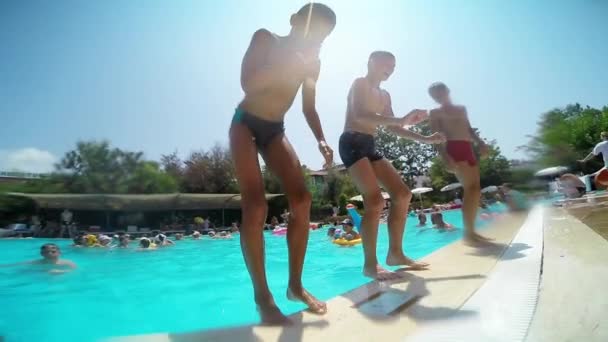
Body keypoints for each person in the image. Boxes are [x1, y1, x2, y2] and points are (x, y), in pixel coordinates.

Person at [228, 3, 336, 324]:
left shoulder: (312, 65)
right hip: (245, 122)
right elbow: (248, 83)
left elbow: (308, 107)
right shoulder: (266, 39)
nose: (316, 40)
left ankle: (295, 286)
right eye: (312, 30)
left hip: (275, 129)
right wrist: (289, 66)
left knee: (302, 199)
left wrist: (321, 139)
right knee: (256, 205)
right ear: (293, 22)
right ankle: (263, 297)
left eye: (323, 37)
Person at [338, 51, 444, 280]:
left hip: (369, 144)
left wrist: (425, 139)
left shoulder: (385, 96)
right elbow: (360, 114)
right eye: (385, 63)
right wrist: (401, 119)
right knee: (374, 200)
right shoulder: (360, 84)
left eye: (393, 66)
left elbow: (394, 127)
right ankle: (370, 265)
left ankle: (395, 254)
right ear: (371, 63)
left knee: (403, 194)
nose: (390, 68)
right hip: (351, 141)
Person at [428, 82, 492, 245]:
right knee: (470, 189)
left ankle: (471, 231)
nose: (437, 96)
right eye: (434, 94)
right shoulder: (435, 113)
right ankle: (469, 234)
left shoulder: (461, 109)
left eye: (439, 92)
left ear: (447, 91)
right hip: (453, 148)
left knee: (475, 190)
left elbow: (469, 129)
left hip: (467, 147)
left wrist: (480, 143)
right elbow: (436, 137)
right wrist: (444, 156)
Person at [1, 243, 77, 273]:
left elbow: (75, 272)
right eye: (46, 252)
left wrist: (61, 272)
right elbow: (15, 265)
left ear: (59, 253)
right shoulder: (36, 263)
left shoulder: (68, 263)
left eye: (53, 251)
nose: (50, 254)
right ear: (42, 254)